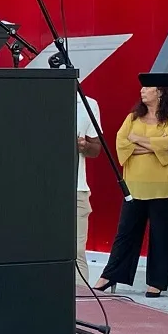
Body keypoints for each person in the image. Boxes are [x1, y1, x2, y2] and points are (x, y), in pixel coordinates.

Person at [94, 86, 168, 297]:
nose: (142, 91)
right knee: (126, 232)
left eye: (148, 88)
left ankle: (156, 282)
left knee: (162, 234)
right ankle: (111, 275)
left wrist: (137, 140)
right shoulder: (133, 118)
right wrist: (153, 146)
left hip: (164, 185)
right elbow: (121, 143)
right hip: (134, 185)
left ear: (160, 92)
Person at [75, 93, 102, 285]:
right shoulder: (34, 99)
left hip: (77, 189)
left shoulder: (88, 103)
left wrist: (84, 145)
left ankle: (80, 297)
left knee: (76, 251)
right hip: (41, 190)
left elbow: (96, 148)